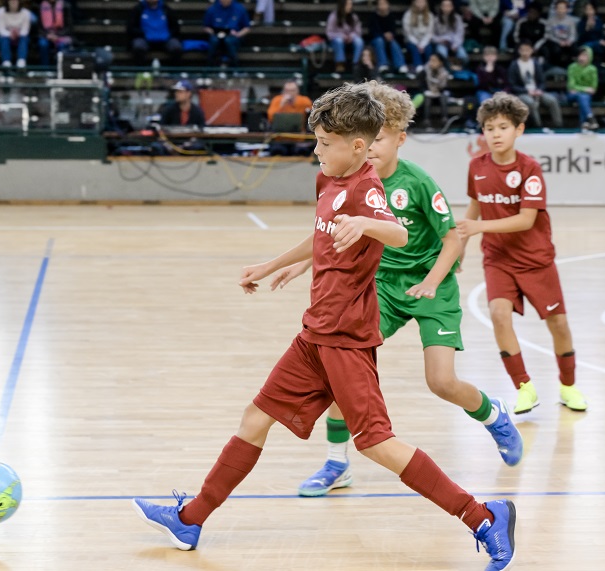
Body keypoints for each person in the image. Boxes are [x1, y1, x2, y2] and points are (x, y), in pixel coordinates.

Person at [132, 83, 517, 571]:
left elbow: (396, 232)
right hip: (313, 334)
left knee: (376, 443)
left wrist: (366, 225)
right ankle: (190, 518)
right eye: (316, 141)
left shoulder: (366, 187)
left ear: (358, 146)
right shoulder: (327, 181)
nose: (316, 151)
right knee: (255, 418)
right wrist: (273, 265)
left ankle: (483, 516)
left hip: (346, 341)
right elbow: (321, 236)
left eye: (325, 143)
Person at [272, 80, 523, 498]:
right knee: (340, 365)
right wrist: (299, 265)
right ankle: (337, 462)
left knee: (441, 381)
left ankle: (491, 413)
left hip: (432, 285)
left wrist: (430, 281)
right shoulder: (350, 178)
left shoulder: (418, 182)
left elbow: (452, 238)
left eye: (380, 139)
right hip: (382, 288)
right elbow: (331, 235)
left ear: (399, 139)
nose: (370, 147)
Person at [456, 92, 588, 415]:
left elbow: (526, 219)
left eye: (503, 127)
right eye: (489, 128)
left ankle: (568, 386)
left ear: (519, 130)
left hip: (535, 259)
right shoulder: (477, 167)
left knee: (558, 323)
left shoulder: (529, 168)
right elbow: (474, 208)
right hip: (498, 259)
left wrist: (479, 229)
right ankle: (524, 388)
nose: (496, 134)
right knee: (499, 315)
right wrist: (458, 250)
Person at [508, 39, 563, 129]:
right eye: (523, 50)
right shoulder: (514, 65)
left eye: (527, 50)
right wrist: (527, 91)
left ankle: (559, 125)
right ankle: (538, 125)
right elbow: (512, 85)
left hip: (536, 91)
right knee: (531, 103)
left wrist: (539, 90)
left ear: (532, 51)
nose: (525, 52)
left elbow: (542, 81)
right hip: (522, 93)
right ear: (519, 51)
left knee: (552, 100)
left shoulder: (536, 64)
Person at [127, 0, 183, 66]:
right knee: (138, 46)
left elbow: (175, 27)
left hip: (165, 39)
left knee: (176, 46)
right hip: (144, 39)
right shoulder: (138, 9)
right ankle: (140, 71)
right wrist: (144, 34)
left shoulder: (166, 9)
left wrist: (167, 34)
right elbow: (131, 28)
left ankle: (174, 72)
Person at [266, 80, 313, 156]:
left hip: (298, 138)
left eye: (293, 90)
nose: (290, 93)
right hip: (280, 138)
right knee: (277, 151)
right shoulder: (277, 100)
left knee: (302, 151)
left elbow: (313, 115)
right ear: (283, 91)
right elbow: (270, 118)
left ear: (297, 91)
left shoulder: (304, 101)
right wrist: (281, 105)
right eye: (287, 91)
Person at [203, 0, 250, 67]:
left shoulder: (240, 8)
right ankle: (210, 66)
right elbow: (206, 27)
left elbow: (247, 28)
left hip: (234, 36)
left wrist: (238, 34)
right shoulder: (212, 8)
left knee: (228, 41)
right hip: (217, 35)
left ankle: (235, 67)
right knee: (214, 41)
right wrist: (214, 32)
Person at [368, 0, 408, 74]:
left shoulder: (391, 16)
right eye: (381, 4)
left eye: (384, 4)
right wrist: (383, 35)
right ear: (377, 6)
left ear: (388, 5)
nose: (383, 6)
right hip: (376, 40)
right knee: (379, 41)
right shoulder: (373, 17)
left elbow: (393, 30)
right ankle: (383, 64)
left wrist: (390, 34)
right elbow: (373, 32)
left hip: (388, 39)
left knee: (393, 42)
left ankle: (400, 65)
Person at [326, 0, 364, 75]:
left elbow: (358, 32)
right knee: (339, 41)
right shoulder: (334, 16)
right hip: (337, 40)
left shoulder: (354, 17)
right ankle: (340, 64)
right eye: (348, 4)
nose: (350, 6)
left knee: (359, 41)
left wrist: (351, 36)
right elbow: (329, 32)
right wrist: (342, 36)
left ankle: (356, 63)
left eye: (351, 4)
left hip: (351, 40)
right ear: (343, 5)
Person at [567, 46, 598, 129]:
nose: (582, 57)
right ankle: (590, 117)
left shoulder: (593, 69)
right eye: (580, 55)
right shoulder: (572, 67)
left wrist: (579, 89)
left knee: (583, 98)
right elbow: (571, 86)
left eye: (585, 55)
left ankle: (584, 123)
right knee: (582, 96)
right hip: (572, 96)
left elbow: (593, 88)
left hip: (587, 96)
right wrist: (585, 89)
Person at [0, 0, 32, 69]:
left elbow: (25, 30)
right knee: (4, 39)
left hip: (20, 36)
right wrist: (10, 34)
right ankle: (6, 62)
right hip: (6, 36)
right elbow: (1, 30)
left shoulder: (26, 13)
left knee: (24, 38)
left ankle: (21, 61)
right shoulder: (0, 12)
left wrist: (18, 33)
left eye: (15, 1)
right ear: (8, 2)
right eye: (11, 1)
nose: (13, 3)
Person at [431, 0, 468, 67]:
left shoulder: (457, 18)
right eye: (445, 6)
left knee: (463, 56)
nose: (446, 8)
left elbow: (460, 33)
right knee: (442, 55)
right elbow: (432, 35)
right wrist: (440, 40)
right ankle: (447, 71)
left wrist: (455, 45)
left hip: (455, 42)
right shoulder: (436, 19)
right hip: (441, 43)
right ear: (441, 7)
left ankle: (460, 71)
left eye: (449, 6)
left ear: (452, 7)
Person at [542, 0, 578, 68]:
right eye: (559, 8)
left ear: (566, 9)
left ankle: (570, 67)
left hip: (567, 42)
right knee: (555, 49)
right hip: (555, 41)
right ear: (555, 9)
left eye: (562, 8)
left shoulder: (571, 21)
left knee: (574, 48)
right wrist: (559, 42)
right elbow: (548, 35)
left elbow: (573, 34)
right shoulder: (551, 20)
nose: (560, 10)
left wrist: (569, 41)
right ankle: (555, 67)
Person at [37, 0, 73, 66]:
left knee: (62, 45)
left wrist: (57, 35)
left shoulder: (66, 6)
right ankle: (45, 69)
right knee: (42, 44)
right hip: (46, 35)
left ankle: (61, 68)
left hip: (61, 35)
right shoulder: (41, 6)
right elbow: (39, 28)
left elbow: (69, 27)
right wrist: (47, 35)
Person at [402, 0, 434, 71]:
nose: (420, 4)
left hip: (425, 41)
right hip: (412, 41)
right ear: (414, 3)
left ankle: (428, 66)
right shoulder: (408, 15)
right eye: (418, 2)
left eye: (422, 2)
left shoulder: (430, 15)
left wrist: (422, 44)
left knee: (429, 48)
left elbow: (429, 33)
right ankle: (418, 65)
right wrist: (417, 44)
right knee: (414, 48)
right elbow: (408, 33)